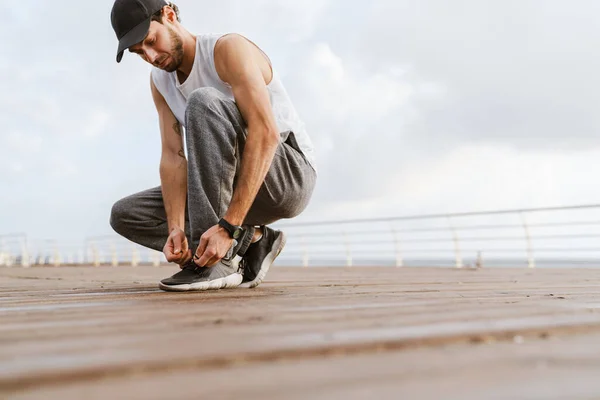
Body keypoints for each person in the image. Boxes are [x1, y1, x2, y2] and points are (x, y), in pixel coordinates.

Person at [108, 0, 317, 292]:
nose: (151, 56)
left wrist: (228, 227)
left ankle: (217, 261)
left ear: (169, 15)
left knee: (203, 102)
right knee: (126, 214)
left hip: (286, 176)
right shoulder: (160, 82)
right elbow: (173, 157)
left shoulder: (227, 49)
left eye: (151, 41)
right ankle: (254, 240)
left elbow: (266, 132)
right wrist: (175, 227)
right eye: (140, 52)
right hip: (228, 189)